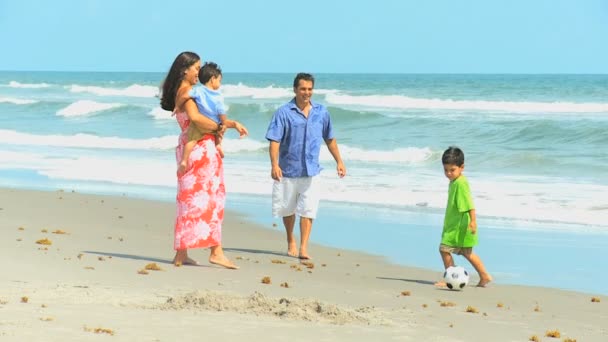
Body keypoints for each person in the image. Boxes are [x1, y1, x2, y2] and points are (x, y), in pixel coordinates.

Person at [160, 51, 246, 269]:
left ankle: (181, 254)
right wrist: (220, 127)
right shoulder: (188, 91)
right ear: (184, 70)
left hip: (189, 146)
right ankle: (216, 252)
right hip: (201, 147)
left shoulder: (182, 92)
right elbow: (197, 119)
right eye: (196, 68)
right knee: (212, 199)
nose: (199, 72)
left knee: (188, 200)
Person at [265, 72, 346, 260]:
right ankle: (290, 240)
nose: (306, 92)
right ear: (295, 89)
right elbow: (275, 141)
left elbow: (330, 138)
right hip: (288, 169)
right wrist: (274, 165)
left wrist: (339, 161)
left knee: (309, 209)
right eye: (303, 89)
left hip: (312, 170)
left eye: (309, 89)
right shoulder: (283, 112)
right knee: (287, 209)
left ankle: (303, 247)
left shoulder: (321, 112)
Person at [435, 146, 492, 287]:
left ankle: (451, 278)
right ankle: (485, 276)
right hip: (455, 225)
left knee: (444, 249)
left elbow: (470, 204)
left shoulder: (461, 184)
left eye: (452, 170)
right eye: (445, 170)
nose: (448, 173)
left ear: (462, 167)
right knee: (467, 253)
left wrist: (473, 221)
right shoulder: (455, 181)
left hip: (460, 227)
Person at [178, 62, 248, 175]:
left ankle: (184, 160)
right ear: (212, 79)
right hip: (211, 124)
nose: (220, 84)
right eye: (219, 80)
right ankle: (218, 145)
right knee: (220, 131)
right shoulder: (218, 96)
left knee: (191, 141)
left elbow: (185, 96)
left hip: (198, 126)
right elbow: (221, 112)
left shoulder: (198, 91)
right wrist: (224, 123)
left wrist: (178, 105)